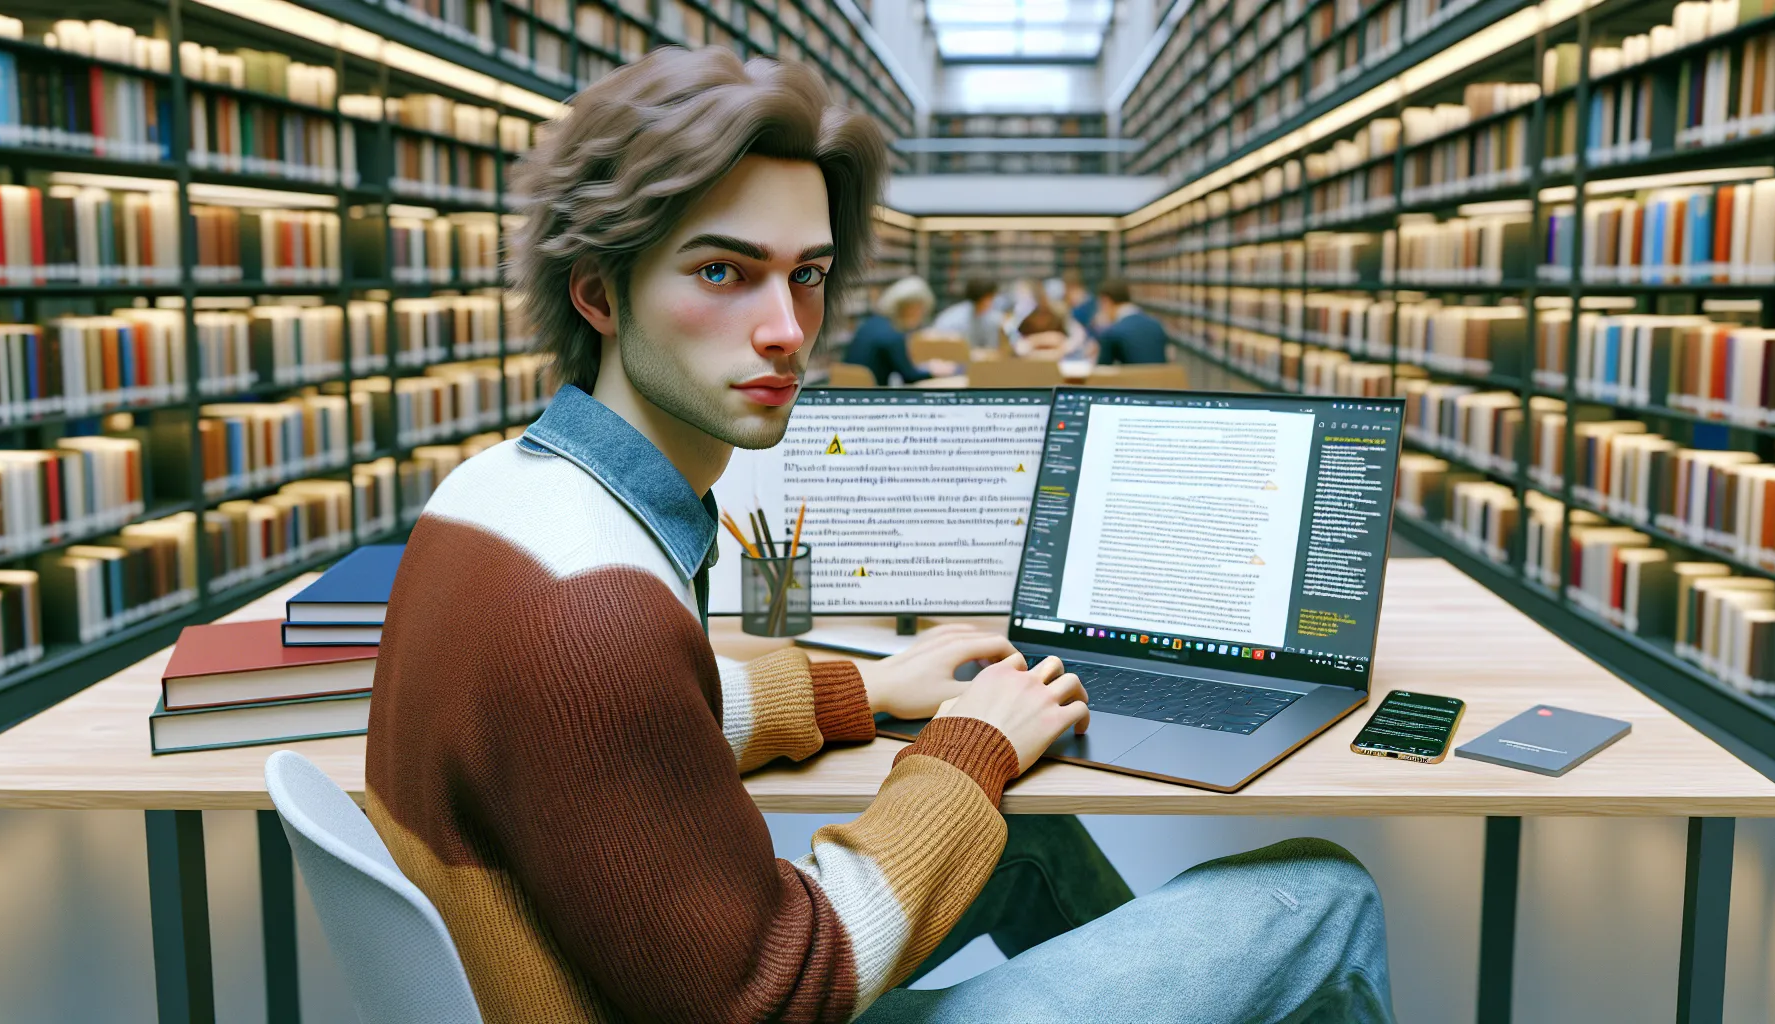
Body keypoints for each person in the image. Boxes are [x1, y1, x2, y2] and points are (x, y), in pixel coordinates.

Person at [367, 46, 1396, 1024]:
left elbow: (620, 728)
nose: (786, 328)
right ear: (598, 291)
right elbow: (774, 991)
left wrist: (859, 687)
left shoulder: (498, 496)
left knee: (1009, 847)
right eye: (723, 273)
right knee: (1322, 892)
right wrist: (970, 743)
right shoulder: (589, 610)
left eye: (805, 274)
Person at [844, 275, 935, 384]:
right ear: (908, 308)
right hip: (873, 395)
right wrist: (934, 372)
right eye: (919, 310)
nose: (920, 316)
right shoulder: (892, 335)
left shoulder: (871, 324)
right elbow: (910, 376)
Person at [1096, 277, 1171, 364]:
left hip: (1132, 378)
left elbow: (1101, 372)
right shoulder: (1157, 326)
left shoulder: (1111, 333)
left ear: (1106, 301)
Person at [931, 277, 1005, 353]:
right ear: (985, 298)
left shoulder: (993, 318)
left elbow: (993, 349)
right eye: (991, 297)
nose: (994, 300)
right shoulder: (953, 319)